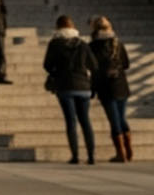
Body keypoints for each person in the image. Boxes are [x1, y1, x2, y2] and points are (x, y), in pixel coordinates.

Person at [43, 15, 97, 165]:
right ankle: (91, 155)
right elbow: (93, 64)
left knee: (71, 121)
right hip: (83, 86)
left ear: (58, 27)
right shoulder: (82, 44)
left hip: (65, 85)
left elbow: (47, 65)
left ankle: (75, 155)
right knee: (85, 121)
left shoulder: (55, 43)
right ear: (72, 27)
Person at [89, 15, 133, 163]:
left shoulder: (93, 46)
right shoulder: (118, 43)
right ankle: (128, 150)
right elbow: (126, 64)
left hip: (105, 86)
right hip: (121, 85)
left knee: (114, 120)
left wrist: (93, 88)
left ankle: (121, 153)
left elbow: (93, 69)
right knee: (121, 117)